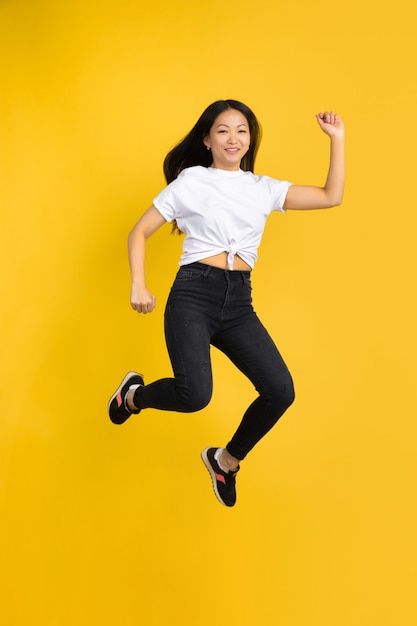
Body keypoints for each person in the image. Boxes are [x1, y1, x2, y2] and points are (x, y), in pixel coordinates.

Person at [108, 99, 345, 507]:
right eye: (222, 130)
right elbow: (138, 232)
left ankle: (225, 461)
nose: (233, 138)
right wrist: (138, 285)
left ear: (250, 140)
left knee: (280, 391)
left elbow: (330, 196)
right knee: (195, 395)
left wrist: (336, 140)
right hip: (193, 295)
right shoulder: (191, 182)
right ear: (207, 140)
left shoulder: (263, 189)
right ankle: (132, 396)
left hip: (238, 303)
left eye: (241, 130)